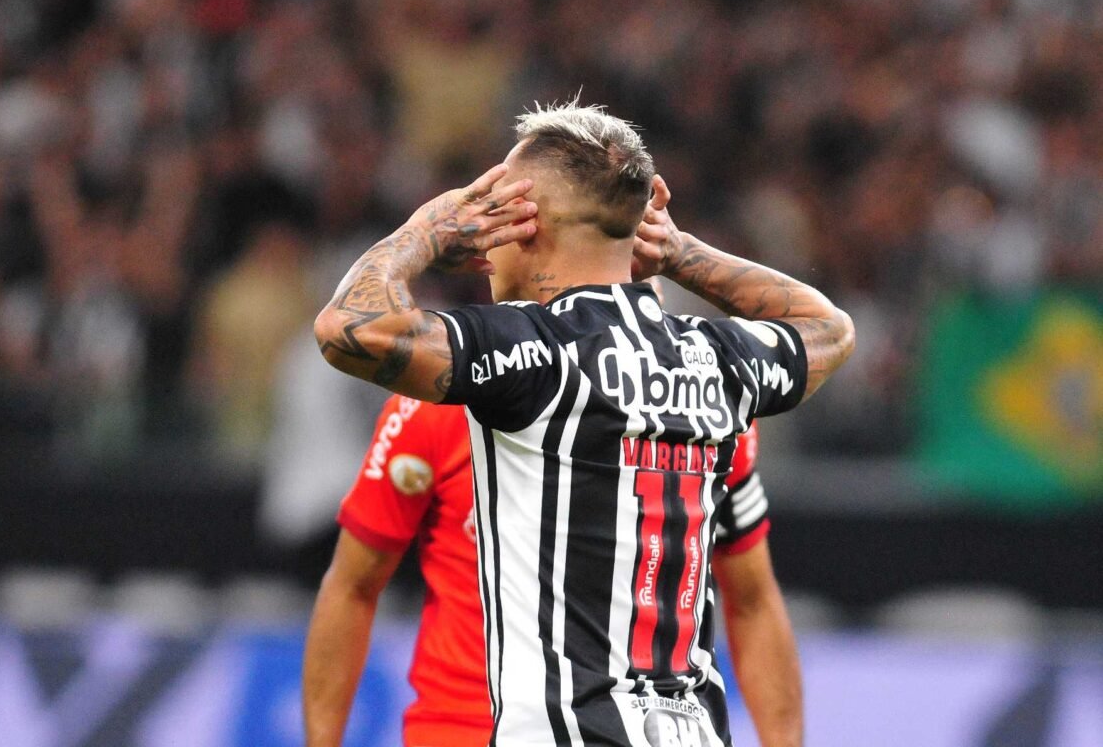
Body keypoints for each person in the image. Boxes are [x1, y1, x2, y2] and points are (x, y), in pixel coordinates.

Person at [314, 100, 853, 746]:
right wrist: (681, 252)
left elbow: (348, 330)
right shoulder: (716, 365)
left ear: (527, 225)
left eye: (497, 213)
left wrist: (423, 231)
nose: (485, 251)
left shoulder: (532, 355)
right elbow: (827, 330)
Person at [302, 400, 799, 747]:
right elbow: (352, 587)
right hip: (468, 732)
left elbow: (752, 597)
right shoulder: (442, 401)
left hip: (637, 730)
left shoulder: (705, 408)